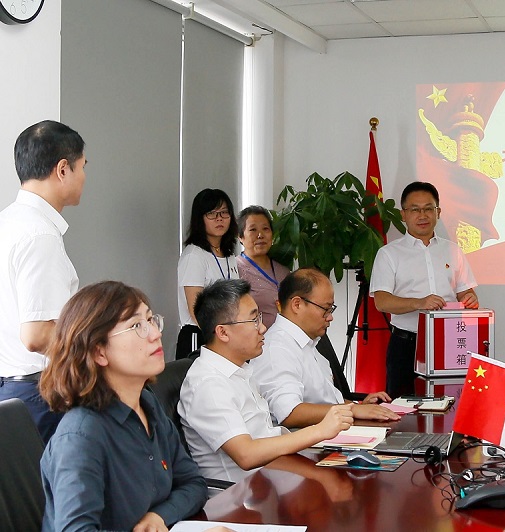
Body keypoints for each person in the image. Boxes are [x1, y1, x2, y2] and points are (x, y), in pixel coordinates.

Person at [38, 281, 206, 532]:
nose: (155, 333)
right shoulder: (81, 436)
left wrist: (159, 516)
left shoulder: (147, 404)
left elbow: (193, 483)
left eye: (150, 320)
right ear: (99, 352)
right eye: (137, 326)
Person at [179, 279, 353, 482]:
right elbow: (246, 454)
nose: (262, 328)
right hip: (241, 494)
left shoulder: (240, 370)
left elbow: (266, 436)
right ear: (223, 332)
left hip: (274, 477)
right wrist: (319, 431)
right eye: (254, 320)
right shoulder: (208, 384)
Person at [0, 120, 86, 444]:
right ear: (63, 169)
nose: (84, 177)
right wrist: (98, 351)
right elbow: (36, 335)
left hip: (12, 388)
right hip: (37, 393)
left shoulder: (7, 221)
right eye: (82, 166)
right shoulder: (39, 235)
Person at [370, 181, 479, 397]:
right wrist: (419, 303)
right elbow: (381, 301)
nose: (423, 215)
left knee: (450, 401)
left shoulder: (453, 250)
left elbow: (466, 292)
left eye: (428, 209)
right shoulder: (389, 253)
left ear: (438, 212)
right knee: (403, 405)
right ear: (403, 214)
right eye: (415, 210)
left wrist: (470, 299)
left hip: (449, 342)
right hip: (406, 344)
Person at [253, 268, 399, 428]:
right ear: (297, 304)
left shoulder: (307, 342)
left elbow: (324, 401)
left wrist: (360, 406)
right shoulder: (277, 348)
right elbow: (290, 413)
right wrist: (352, 409)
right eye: (326, 309)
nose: (330, 317)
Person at [176, 188, 239, 359]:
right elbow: (195, 309)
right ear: (200, 218)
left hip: (224, 335)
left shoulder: (229, 255)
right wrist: (220, 335)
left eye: (224, 212)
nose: (219, 218)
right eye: (211, 213)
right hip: (200, 335)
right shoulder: (194, 255)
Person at [236, 205, 290, 329]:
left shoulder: (284, 272)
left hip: (285, 338)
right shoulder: (234, 270)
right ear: (240, 236)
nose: (260, 235)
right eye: (253, 230)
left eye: (265, 229)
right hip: (256, 338)